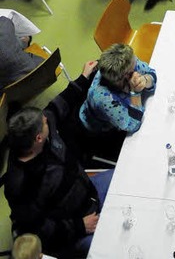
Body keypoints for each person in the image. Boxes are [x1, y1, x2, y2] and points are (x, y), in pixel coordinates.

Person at [5, 61, 112, 258]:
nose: (46, 118)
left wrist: (83, 77)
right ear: (38, 138)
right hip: (74, 227)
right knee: (111, 246)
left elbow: (57, 105)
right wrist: (80, 226)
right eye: (44, 123)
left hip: (89, 191)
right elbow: (39, 229)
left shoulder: (40, 129)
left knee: (124, 178)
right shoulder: (19, 185)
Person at [79, 43, 156, 137]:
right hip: (96, 128)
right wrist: (135, 92)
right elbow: (133, 125)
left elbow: (151, 73)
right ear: (122, 78)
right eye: (131, 72)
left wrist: (145, 80)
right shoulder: (103, 98)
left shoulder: (129, 61)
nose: (136, 69)